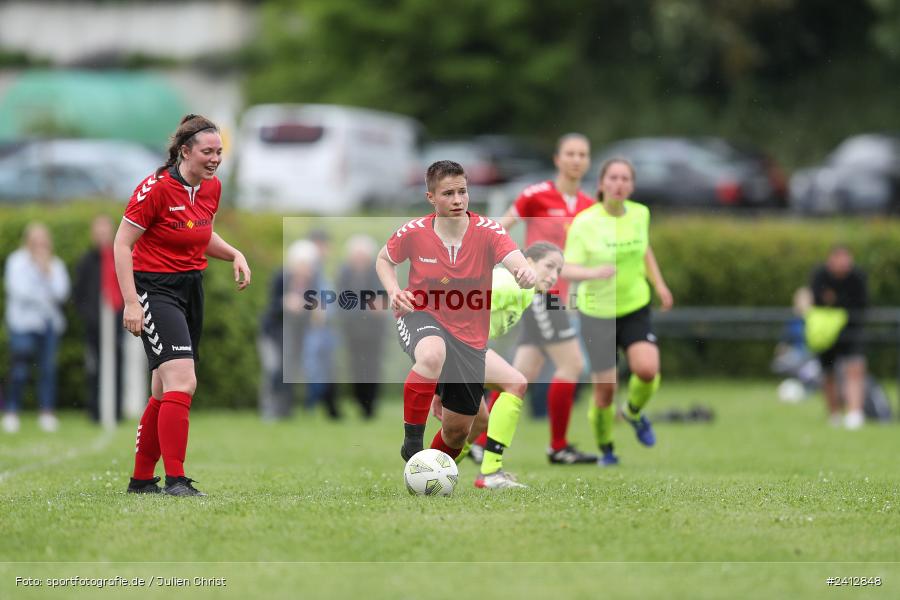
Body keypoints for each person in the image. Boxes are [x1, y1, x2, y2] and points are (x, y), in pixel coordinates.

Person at [115, 114, 251, 496]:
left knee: (163, 390)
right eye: (208, 152)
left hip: (192, 288)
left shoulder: (211, 188)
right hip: (154, 290)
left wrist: (234, 253)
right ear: (185, 151)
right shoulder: (155, 189)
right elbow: (121, 244)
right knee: (183, 381)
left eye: (220, 151)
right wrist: (131, 302)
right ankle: (176, 480)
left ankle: (141, 481)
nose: (215, 159)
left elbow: (197, 233)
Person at [375, 160, 535, 463]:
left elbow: (513, 257)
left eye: (463, 191)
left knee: (458, 432)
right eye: (448, 193)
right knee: (432, 354)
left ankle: (428, 472)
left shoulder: (488, 230)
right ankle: (412, 444)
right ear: (431, 198)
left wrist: (523, 271)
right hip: (421, 315)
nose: (458, 199)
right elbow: (384, 259)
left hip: (470, 338)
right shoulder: (414, 231)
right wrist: (394, 291)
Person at [490, 133, 596, 464]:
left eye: (582, 154)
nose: (576, 159)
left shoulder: (588, 207)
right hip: (541, 296)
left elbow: (581, 257)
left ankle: (480, 438)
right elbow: (497, 229)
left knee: (523, 372)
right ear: (557, 159)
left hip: (560, 298)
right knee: (572, 364)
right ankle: (558, 446)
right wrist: (512, 263)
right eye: (570, 153)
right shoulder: (536, 195)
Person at [565, 158, 673, 466]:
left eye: (625, 178)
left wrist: (660, 285)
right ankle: (607, 449)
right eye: (613, 178)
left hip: (635, 306)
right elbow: (567, 267)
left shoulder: (641, 214)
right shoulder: (585, 222)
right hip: (597, 314)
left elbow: (645, 249)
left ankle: (634, 413)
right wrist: (594, 272)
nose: (619, 183)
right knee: (605, 393)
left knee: (648, 370)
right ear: (601, 184)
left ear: (632, 185)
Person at [432, 241, 566, 489]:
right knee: (516, 383)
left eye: (559, 270)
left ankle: (432, 474)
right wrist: (439, 371)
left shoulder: (526, 293)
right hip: (456, 347)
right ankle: (491, 473)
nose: (554, 275)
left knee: (478, 423)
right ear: (528, 261)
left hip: (461, 351)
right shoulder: (510, 284)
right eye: (549, 266)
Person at [3, 223, 70, 434]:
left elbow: (62, 293)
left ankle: (46, 412)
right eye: (35, 241)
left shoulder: (55, 264)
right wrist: (41, 288)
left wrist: (46, 272)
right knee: (20, 369)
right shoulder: (17, 261)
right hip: (23, 324)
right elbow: (18, 291)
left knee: (47, 370)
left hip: (48, 325)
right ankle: (12, 412)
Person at [808, 245, 868, 429]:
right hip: (825, 334)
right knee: (828, 374)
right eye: (839, 259)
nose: (843, 264)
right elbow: (818, 299)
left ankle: (854, 414)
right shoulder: (819, 275)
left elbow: (861, 303)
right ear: (830, 260)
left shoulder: (857, 276)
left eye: (846, 259)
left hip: (851, 330)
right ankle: (833, 415)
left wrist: (834, 300)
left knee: (855, 369)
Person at [257, 239, 318, 421]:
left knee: (290, 371)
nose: (305, 269)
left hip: (294, 337)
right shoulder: (281, 278)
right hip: (272, 333)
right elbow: (271, 306)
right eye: (302, 264)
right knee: (274, 368)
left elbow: (310, 312)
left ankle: (285, 411)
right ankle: (269, 410)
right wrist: (286, 303)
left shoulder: (311, 285)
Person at [74, 214, 125, 424]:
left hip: (118, 324)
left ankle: (116, 411)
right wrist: (91, 317)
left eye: (106, 231)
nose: (102, 236)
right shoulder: (86, 261)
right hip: (94, 328)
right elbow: (79, 295)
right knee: (94, 369)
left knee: (117, 367)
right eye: (99, 232)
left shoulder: (119, 257)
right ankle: (95, 411)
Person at [336, 234, 388, 419]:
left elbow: (383, 301)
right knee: (355, 367)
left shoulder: (377, 273)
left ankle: (370, 406)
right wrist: (367, 305)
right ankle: (360, 402)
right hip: (352, 331)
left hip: (374, 332)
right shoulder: (344, 273)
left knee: (373, 368)